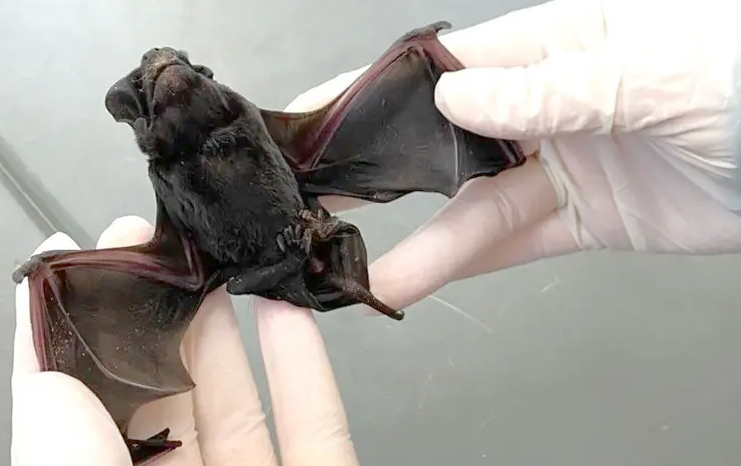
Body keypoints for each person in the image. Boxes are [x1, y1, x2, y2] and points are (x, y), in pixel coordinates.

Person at [12, 0, 741, 464]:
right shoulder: (169, 173)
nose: (171, 78)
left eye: (180, 71)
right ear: (145, 129)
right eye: (156, 89)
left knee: (427, 92)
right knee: (57, 282)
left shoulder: (252, 120)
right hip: (242, 264)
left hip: (309, 238)